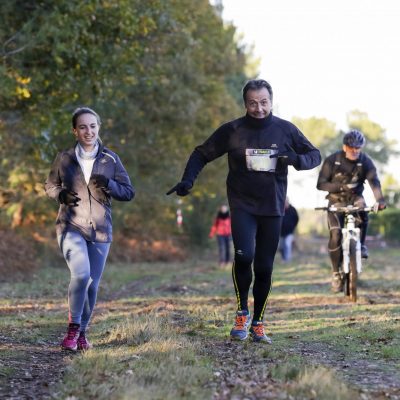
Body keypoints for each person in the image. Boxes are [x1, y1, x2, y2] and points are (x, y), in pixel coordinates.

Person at [167, 79, 321, 343]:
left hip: (272, 207)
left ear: (271, 102)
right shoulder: (233, 130)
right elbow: (201, 154)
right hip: (242, 205)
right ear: (245, 104)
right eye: (253, 103)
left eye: (263, 102)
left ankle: (258, 322)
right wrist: (188, 180)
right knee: (244, 256)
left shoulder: (285, 130)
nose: (259, 108)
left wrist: (295, 159)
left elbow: (314, 155)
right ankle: (242, 313)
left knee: (264, 267)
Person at [45, 107, 135, 351]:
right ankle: (73, 329)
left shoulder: (111, 159)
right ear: (75, 131)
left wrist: (109, 184)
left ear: (98, 128)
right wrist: (61, 194)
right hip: (70, 225)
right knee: (82, 275)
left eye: (93, 126)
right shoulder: (64, 158)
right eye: (83, 127)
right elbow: (50, 186)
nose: (88, 131)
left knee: (93, 284)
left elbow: (129, 192)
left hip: (101, 230)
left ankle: (82, 333)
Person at [316, 130, 386, 292]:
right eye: (351, 147)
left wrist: (380, 200)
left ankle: (360, 244)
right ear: (344, 146)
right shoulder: (332, 160)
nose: (354, 151)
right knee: (336, 235)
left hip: (355, 199)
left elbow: (374, 181)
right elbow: (320, 184)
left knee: (364, 209)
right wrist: (340, 187)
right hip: (335, 200)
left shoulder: (365, 161)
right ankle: (336, 273)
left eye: (358, 148)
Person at [279, 198, 299, 262]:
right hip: (281, 232)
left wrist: (293, 226)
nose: (285, 204)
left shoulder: (293, 210)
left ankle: (287, 259)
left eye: (286, 202)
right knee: (281, 246)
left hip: (290, 232)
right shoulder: (280, 209)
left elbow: (297, 219)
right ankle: (283, 258)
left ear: (288, 202)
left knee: (287, 244)